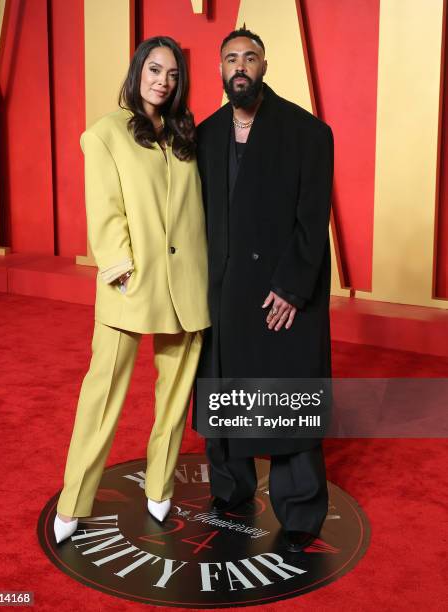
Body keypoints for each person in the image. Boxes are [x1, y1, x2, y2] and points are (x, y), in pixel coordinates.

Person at [54, 36, 210, 544]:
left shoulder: (187, 134)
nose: (163, 81)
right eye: (154, 70)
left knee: (175, 399)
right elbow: (104, 207)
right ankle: (74, 500)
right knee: (102, 396)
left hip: (187, 288)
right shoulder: (104, 134)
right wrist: (118, 265)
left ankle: (160, 487)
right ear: (137, 70)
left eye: (172, 73)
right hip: (131, 282)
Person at [195, 28, 334, 553]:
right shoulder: (205, 134)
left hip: (280, 292)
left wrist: (292, 289)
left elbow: (311, 220)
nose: (240, 66)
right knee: (225, 391)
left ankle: (300, 514)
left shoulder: (307, 133)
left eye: (250, 58)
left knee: (287, 398)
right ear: (220, 70)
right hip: (224, 291)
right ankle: (230, 491)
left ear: (265, 67)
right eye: (231, 58)